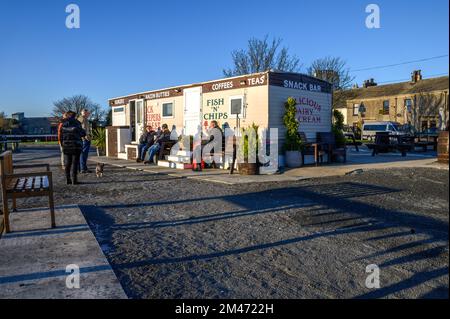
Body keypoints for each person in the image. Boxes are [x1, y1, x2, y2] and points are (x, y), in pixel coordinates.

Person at [59, 111, 86, 185]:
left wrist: (62, 144)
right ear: (74, 116)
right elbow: (83, 133)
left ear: (68, 115)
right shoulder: (77, 123)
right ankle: (74, 180)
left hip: (66, 145)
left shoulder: (63, 123)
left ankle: (68, 179)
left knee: (68, 163)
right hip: (76, 146)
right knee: (75, 163)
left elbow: (61, 136)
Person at [77, 109, 92, 173]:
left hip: (87, 138)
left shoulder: (86, 119)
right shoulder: (81, 118)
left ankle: (84, 168)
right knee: (83, 154)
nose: (89, 114)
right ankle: (82, 168)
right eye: (87, 113)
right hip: (84, 138)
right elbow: (79, 128)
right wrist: (83, 136)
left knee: (85, 154)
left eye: (88, 113)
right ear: (84, 113)